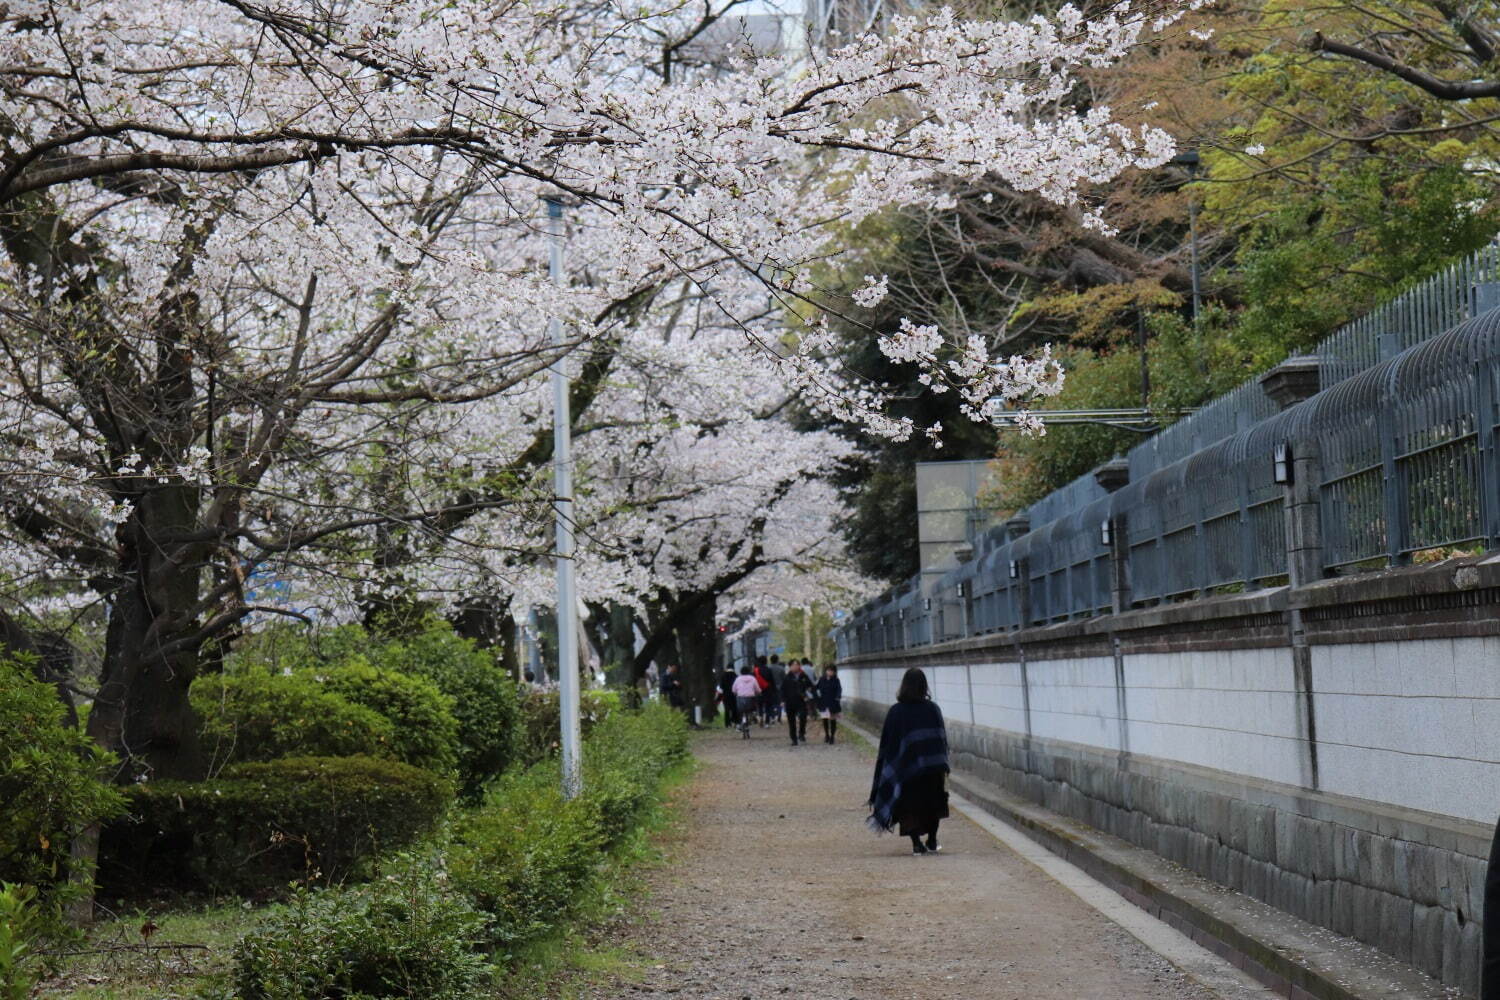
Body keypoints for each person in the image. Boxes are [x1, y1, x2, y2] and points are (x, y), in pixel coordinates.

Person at [868, 667, 950, 856]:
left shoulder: (896, 712)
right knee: (933, 803)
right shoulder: (933, 709)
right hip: (933, 767)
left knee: (910, 805)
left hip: (906, 769)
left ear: (903, 686)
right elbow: (940, 739)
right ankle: (932, 840)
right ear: (924, 686)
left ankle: (916, 844)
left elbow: (888, 743)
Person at [781, 660, 815, 746]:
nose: (795, 666)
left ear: (799, 666)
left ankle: (801, 733)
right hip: (790, 701)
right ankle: (793, 739)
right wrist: (782, 701)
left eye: (797, 665)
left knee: (803, 716)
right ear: (790, 667)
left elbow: (810, 685)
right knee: (791, 721)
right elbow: (782, 690)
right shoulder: (787, 677)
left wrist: (809, 691)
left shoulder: (803, 676)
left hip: (801, 700)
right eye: (793, 665)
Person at [731, 665, 761, 739]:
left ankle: (740, 724)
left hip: (740, 699)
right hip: (750, 699)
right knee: (751, 709)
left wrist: (737, 693)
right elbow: (757, 689)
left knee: (740, 712)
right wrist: (758, 692)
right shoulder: (753, 679)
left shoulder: (738, 679)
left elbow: (733, 690)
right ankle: (753, 716)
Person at [815, 664, 843, 744]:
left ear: (834, 672)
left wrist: (838, 696)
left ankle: (832, 736)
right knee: (825, 719)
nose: (830, 672)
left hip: (833, 702)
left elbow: (839, 689)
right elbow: (816, 688)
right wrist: (816, 695)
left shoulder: (836, 680)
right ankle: (827, 734)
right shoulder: (821, 679)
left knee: (833, 720)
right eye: (828, 670)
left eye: (831, 671)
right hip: (823, 702)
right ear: (826, 671)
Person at [717, 664, 739, 729]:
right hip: (734, 695)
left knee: (727, 709)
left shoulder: (723, 676)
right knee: (734, 708)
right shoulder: (736, 676)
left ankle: (727, 724)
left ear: (727, 668)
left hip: (726, 695)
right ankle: (735, 721)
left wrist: (719, 696)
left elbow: (721, 687)